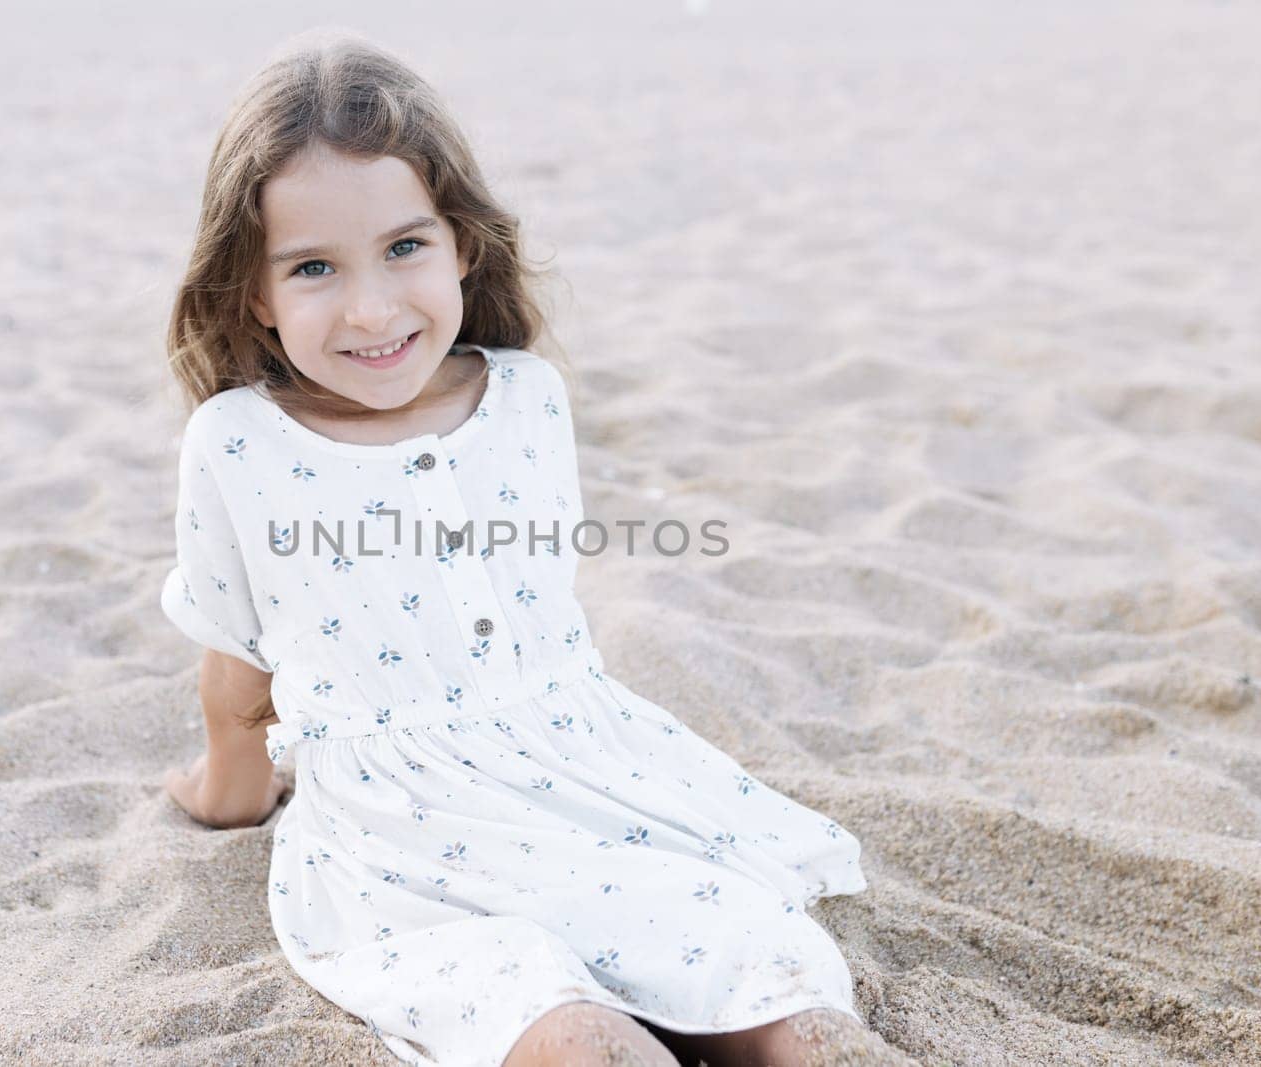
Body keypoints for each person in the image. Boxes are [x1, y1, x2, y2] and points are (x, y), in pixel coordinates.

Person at [157, 29, 912, 1067]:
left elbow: (495, 625)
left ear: (463, 241)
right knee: (562, 1024)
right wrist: (226, 785)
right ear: (253, 292)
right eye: (314, 267)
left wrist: (229, 783)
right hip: (405, 842)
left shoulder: (524, 396)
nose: (371, 306)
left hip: (587, 790)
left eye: (405, 247)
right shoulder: (237, 444)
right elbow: (236, 671)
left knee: (776, 989)